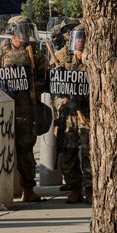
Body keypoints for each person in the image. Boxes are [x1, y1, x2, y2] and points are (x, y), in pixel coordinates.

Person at [0, 16, 48, 202]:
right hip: (4, 110)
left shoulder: (35, 53)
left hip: (25, 111)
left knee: (26, 149)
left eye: (28, 29)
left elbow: (43, 79)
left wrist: (33, 87)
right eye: (22, 29)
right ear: (13, 31)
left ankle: (28, 188)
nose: (26, 33)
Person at [52, 24, 91, 204]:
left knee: (89, 152)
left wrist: (86, 60)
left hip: (88, 113)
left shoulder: (93, 57)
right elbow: (53, 90)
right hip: (68, 115)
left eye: (83, 37)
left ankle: (90, 187)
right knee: (68, 152)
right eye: (77, 37)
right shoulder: (61, 58)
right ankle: (75, 188)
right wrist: (65, 101)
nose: (80, 40)